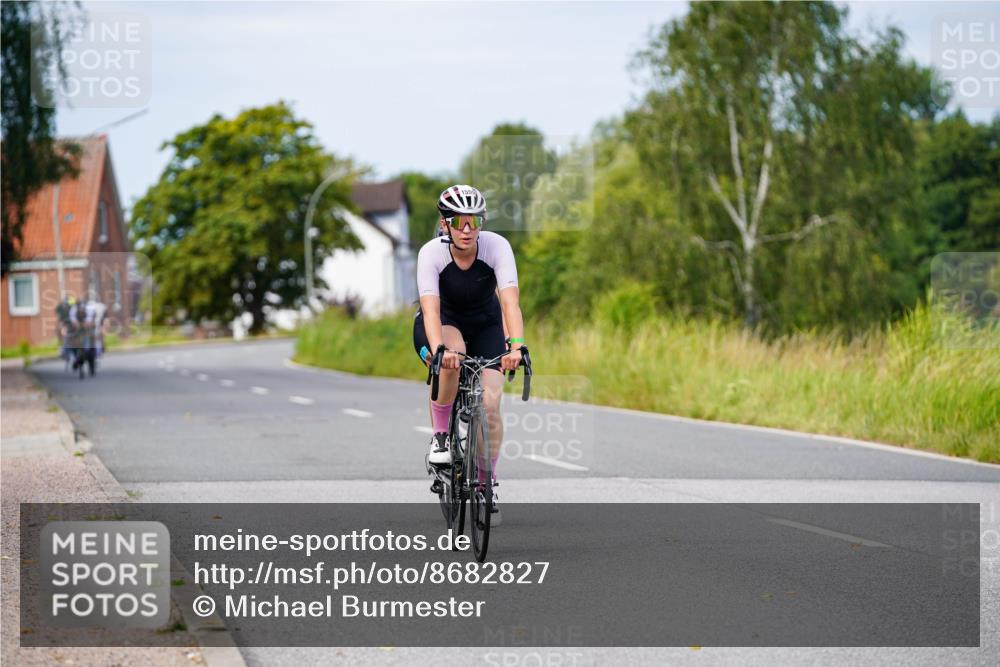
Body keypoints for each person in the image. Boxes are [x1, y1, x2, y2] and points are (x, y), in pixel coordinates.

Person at [413, 184, 526, 521]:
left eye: (474, 221)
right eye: (459, 221)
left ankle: (486, 485)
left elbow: (510, 303)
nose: (467, 229)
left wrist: (516, 346)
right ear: (445, 223)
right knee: (453, 355)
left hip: (486, 323)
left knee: (490, 405)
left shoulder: (497, 247)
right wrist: (439, 351)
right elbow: (431, 311)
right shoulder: (431, 253)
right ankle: (441, 438)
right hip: (445, 322)